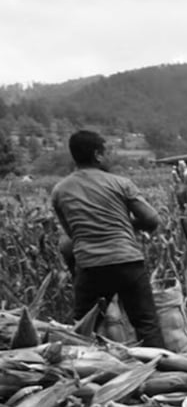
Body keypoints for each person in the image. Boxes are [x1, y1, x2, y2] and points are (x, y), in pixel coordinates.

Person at [51, 130, 166, 348]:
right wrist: (125, 225)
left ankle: (81, 375)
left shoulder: (60, 191)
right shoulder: (120, 183)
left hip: (90, 266)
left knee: (83, 330)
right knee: (147, 325)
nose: (109, 156)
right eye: (107, 152)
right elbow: (152, 219)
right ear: (98, 155)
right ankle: (163, 374)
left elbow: (72, 234)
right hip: (127, 262)